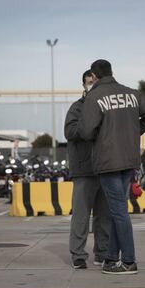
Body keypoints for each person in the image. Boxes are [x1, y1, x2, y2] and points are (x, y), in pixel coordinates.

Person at [78, 59, 145, 275]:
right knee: (118, 211)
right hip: (128, 160)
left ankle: (129, 261)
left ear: (94, 76)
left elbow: (85, 131)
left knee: (119, 212)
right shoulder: (131, 93)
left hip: (108, 162)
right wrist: (136, 130)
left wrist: (103, 135)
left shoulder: (94, 96)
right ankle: (111, 257)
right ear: (111, 72)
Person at [64, 70, 111, 269]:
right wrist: (91, 125)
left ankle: (102, 253)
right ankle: (78, 255)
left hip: (105, 168)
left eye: (95, 81)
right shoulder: (77, 107)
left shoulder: (107, 106)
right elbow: (70, 131)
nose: (92, 85)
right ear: (83, 85)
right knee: (81, 216)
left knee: (104, 217)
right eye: (88, 82)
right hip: (84, 170)